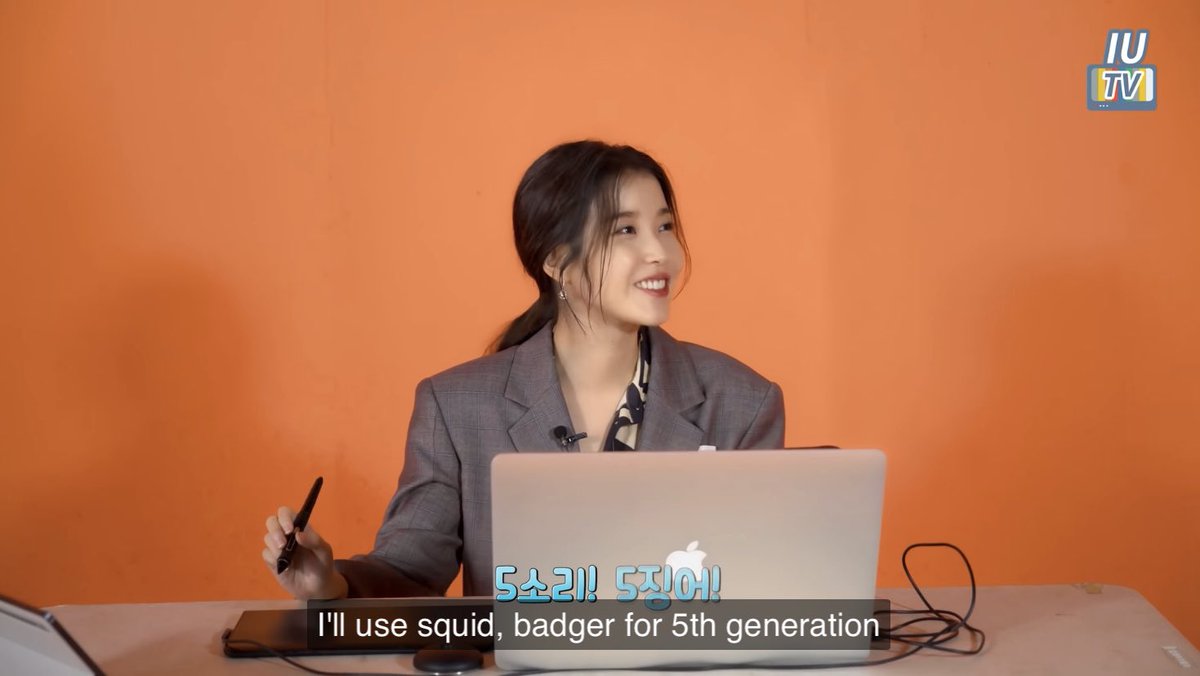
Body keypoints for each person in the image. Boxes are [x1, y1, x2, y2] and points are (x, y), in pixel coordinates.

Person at [261, 140, 785, 599]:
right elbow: (409, 574)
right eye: (626, 230)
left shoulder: (742, 402)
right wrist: (331, 584)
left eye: (665, 226)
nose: (659, 252)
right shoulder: (456, 406)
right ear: (556, 261)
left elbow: (766, 582)